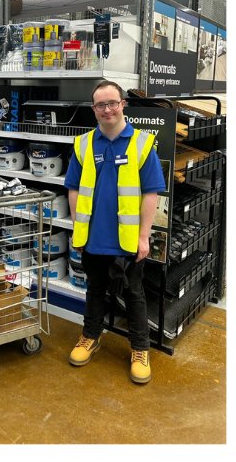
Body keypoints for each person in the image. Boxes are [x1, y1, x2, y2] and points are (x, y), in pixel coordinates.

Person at [64, 81, 164, 384]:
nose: (107, 109)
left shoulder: (142, 144)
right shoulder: (83, 144)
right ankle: (90, 336)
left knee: (134, 293)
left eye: (112, 103)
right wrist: (78, 229)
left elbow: (151, 194)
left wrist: (144, 236)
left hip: (128, 238)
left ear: (122, 104)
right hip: (94, 237)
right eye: (100, 105)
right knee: (94, 289)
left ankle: (140, 349)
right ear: (94, 109)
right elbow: (73, 189)